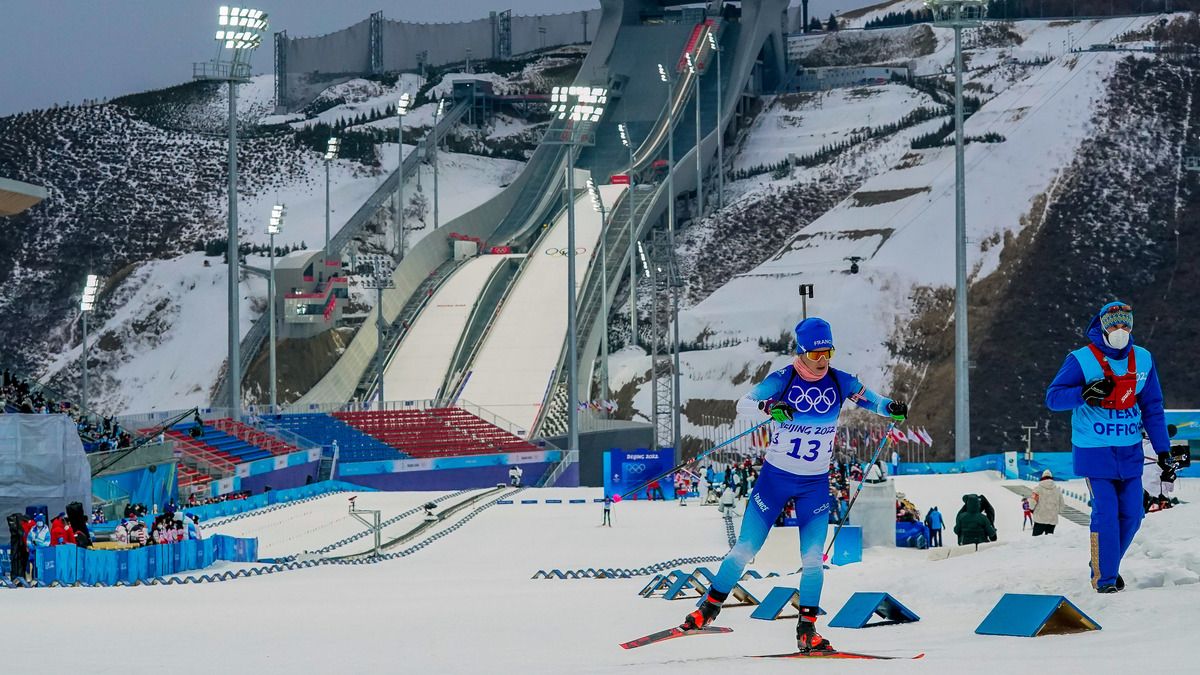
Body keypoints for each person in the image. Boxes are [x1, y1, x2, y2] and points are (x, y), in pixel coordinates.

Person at [681, 317, 907, 654]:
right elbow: (742, 405)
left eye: (828, 352)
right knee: (744, 550)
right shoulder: (782, 379)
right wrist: (771, 407)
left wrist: (891, 407)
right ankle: (707, 610)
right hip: (775, 480)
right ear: (801, 353)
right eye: (816, 355)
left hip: (814, 484)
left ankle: (807, 630)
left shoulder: (839, 381)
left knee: (814, 559)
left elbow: (873, 400)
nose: (823, 361)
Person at [1045, 301, 1172, 593]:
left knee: (1133, 514)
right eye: (1113, 324)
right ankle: (1105, 580)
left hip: (1129, 449)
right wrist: (1083, 393)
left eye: (1125, 324)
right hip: (1094, 449)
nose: (1120, 330)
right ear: (1102, 326)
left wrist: (1163, 450)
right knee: (1105, 512)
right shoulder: (1080, 359)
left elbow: (1152, 406)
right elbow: (1053, 398)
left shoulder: (1144, 359)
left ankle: (1105, 564)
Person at [1142, 425, 1178, 512]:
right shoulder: (1164, 447)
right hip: (1154, 485)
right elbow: (1169, 483)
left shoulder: (1144, 443)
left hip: (1141, 479)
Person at [1030, 470, 1063, 536]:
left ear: (1042, 477)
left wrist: (1031, 509)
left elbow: (1032, 502)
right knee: (1049, 541)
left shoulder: (1037, 489)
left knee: (1036, 539)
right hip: (1052, 519)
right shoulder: (1057, 490)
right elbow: (1062, 505)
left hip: (1040, 519)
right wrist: (1056, 512)